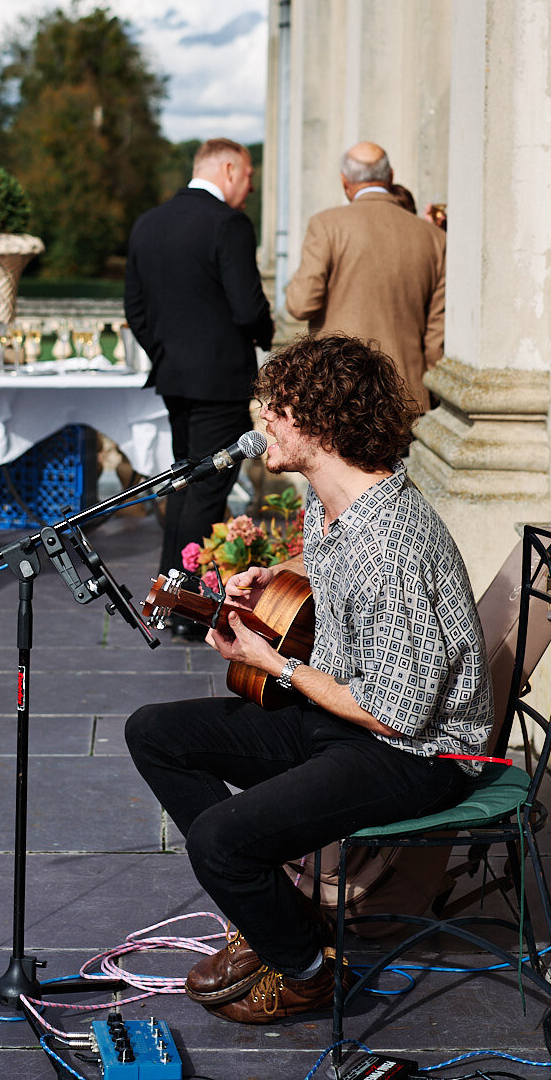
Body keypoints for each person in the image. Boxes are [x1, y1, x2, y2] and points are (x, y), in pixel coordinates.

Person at [125, 334, 492, 1025]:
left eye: (279, 409)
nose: (263, 421)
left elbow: (398, 714)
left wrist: (278, 666)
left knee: (219, 842)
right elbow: (335, 579)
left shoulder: (393, 543)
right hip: (347, 715)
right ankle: (281, 923)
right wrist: (279, 577)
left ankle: (306, 970)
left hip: (416, 753)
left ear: (322, 424)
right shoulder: (333, 505)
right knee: (155, 733)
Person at [124, 139, 273, 634]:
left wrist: (166, 352)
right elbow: (248, 307)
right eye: (249, 175)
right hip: (219, 379)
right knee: (205, 490)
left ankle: (166, 601)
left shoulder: (149, 222)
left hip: (173, 377)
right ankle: (185, 611)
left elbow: (136, 311)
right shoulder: (228, 224)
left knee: (184, 482)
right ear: (228, 168)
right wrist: (265, 336)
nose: (250, 187)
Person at [285, 141, 445, 412]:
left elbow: (300, 305)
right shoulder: (434, 237)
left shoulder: (326, 225)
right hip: (404, 392)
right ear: (390, 176)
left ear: (344, 181)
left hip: (338, 389)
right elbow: (436, 335)